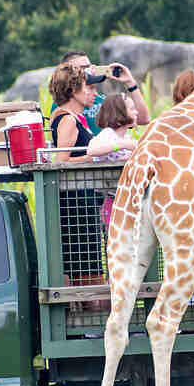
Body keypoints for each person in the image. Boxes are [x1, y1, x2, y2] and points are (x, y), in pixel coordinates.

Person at [48, 64, 106, 306]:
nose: (94, 93)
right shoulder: (68, 120)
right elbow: (62, 160)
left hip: (83, 201)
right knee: (89, 277)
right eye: (89, 87)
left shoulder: (70, 117)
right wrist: (93, 156)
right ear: (73, 90)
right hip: (77, 206)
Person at [57, 51, 150, 134]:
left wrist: (130, 83)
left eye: (89, 67)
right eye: (83, 68)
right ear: (67, 72)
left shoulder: (100, 100)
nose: (88, 71)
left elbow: (143, 119)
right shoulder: (63, 106)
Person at [87, 94, 139, 229]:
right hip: (112, 200)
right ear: (120, 112)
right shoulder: (108, 134)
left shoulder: (126, 136)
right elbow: (92, 150)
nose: (136, 112)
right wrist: (121, 145)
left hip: (126, 198)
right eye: (132, 109)